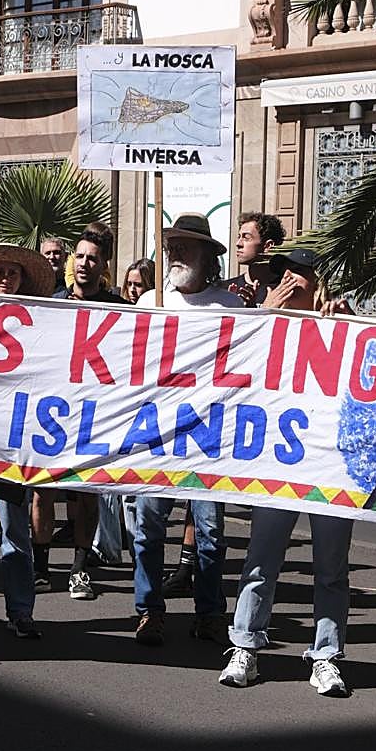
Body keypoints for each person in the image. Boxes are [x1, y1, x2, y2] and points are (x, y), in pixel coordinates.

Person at [219, 248, 354, 696]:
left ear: (319, 284)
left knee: (331, 567)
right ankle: (245, 646)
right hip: (277, 465)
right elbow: (227, 362)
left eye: (302, 276)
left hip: (331, 468)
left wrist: (347, 322)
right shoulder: (262, 323)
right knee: (261, 561)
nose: (292, 283)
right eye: (285, 276)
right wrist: (263, 313)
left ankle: (327, 654)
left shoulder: (344, 325)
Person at [133, 213, 239, 647]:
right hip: (155, 433)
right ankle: (148, 610)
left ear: (206, 257)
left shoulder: (230, 307)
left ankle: (210, 612)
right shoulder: (151, 304)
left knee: (211, 534)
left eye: (185, 248)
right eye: (171, 247)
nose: (175, 254)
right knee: (148, 527)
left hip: (209, 436)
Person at [0, 244, 56, 638]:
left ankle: (20, 610)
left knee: (15, 530)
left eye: (12, 273)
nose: (4, 278)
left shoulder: (39, 326)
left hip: (14, 442)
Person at [51, 231, 128, 601]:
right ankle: (38, 565)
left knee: (86, 493)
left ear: (104, 265)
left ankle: (79, 568)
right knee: (41, 491)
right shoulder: (52, 305)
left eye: (92, 258)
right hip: (52, 409)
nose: (84, 263)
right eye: (78, 256)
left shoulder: (119, 308)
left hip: (96, 412)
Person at [226, 211, 285, 306]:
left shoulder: (283, 290)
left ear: (268, 246)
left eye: (246, 238)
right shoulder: (226, 288)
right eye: (239, 236)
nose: (238, 243)